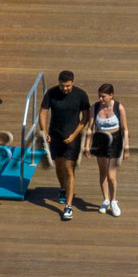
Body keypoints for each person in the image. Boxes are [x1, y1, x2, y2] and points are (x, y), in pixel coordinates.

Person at [37, 70, 91, 220]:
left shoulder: (81, 95)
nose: (65, 88)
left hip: (72, 138)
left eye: (67, 86)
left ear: (73, 82)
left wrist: (74, 135)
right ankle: (62, 188)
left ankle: (68, 206)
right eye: (62, 86)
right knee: (59, 165)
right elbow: (43, 112)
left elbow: (85, 117)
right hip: (55, 136)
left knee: (69, 168)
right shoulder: (51, 93)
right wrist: (44, 131)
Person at [89, 83, 128, 216]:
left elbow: (125, 129)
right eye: (99, 96)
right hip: (100, 140)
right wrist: (87, 146)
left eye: (103, 96)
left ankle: (113, 200)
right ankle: (105, 199)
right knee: (103, 172)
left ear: (111, 95)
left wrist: (126, 148)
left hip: (115, 140)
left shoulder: (119, 107)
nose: (101, 99)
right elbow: (90, 128)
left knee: (111, 176)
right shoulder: (95, 107)